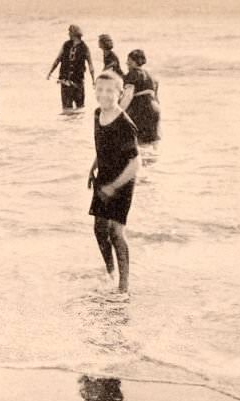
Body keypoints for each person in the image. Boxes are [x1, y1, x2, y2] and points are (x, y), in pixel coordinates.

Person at [88, 71, 141, 294]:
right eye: (100, 89)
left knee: (116, 232)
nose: (104, 94)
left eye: (110, 90)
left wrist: (114, 186)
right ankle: (110, 271)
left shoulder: (124, 123)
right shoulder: (97, 113)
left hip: (122, 182)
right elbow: (103, 145)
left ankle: (124, 285)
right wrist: (93, 167)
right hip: (104, 177)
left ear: (120, 93)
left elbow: (136, 163)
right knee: (99, 229)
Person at [47, 25, 95, 110]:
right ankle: (76, 122)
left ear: (73, 34)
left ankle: (68, 123)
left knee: (66, 109)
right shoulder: (85, 47)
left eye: (69, 32)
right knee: (80, 108)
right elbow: (90, 65)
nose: (68, 34)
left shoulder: (66, 45)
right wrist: (93, 80)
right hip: (78, 82)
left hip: (67, 82)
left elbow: (57, 59)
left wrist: (50, 72)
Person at [120, 49, 160, 145]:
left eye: (129, 61)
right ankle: (153, 159)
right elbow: (157, 98)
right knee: (153, 142)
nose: (127, 63)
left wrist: (118, 112)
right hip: (155, 109)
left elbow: (128, 96)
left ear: (134, 62)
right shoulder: (151, 76)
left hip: (141, 109)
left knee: (139, 143)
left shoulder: (133, 74)